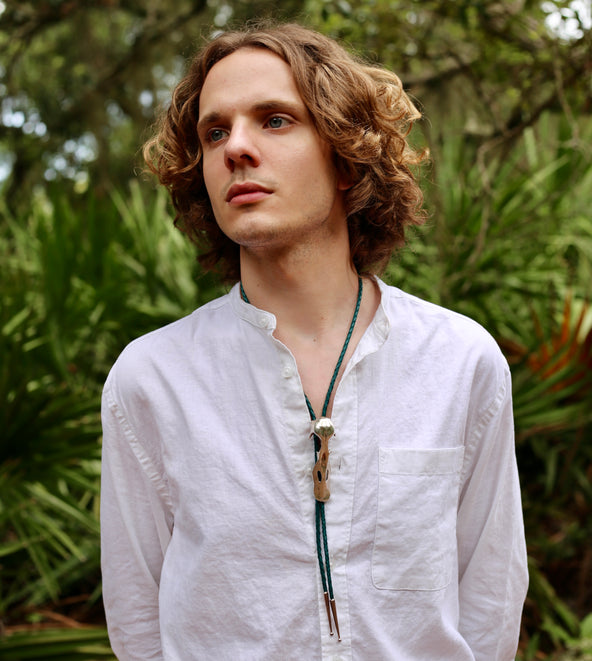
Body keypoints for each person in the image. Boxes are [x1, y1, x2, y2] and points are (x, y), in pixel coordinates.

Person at [100, 22, 528, 660]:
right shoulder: (152, 379)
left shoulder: (459, 360)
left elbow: (491, 595)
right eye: (214, 131)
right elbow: (139, 622)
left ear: (347, 156)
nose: (235, 148)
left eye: (274, 120)